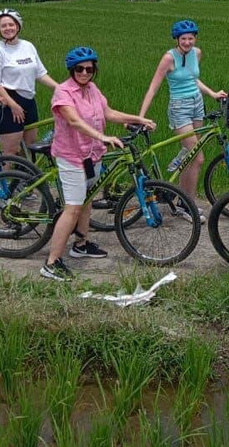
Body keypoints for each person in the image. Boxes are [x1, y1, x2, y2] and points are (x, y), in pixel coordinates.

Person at [41, 46, 156, 280]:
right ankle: (51, 263)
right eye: (79, 69)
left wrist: (138, 119)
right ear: (72, 70)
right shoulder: (63, 92)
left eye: (89, 69)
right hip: (71, 156)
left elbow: (109, 113)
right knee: (72, 208)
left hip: (92, 155)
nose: (85, 73)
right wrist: (102, 136)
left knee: (88, 200)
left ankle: (81, 244)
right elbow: (73, 121)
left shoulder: (92, 88)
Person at [138, 19, 226, 217]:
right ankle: (187, 204)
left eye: (191, 38)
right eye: (183, 39)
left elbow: (192, 79)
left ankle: (184, 200)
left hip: (196, 104)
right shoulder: (169, 58)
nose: (188, 42)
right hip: (179, 108)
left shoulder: (197, 53)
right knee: (197, 156)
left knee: (191, 157)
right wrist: (141, 117)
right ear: (177, 39)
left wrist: (211, 93)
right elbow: (153, 87)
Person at [0, 8, 58, 158]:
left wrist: (61, 88)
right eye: (3, 26)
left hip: (28, 100)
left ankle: (23, 180)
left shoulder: (28, 46)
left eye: (11, 24)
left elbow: (40, 74)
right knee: (11, 151)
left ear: (18, 26)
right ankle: (0, 180)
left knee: (30, 148)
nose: (8, 28)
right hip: (6, 103)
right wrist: (13, 105)